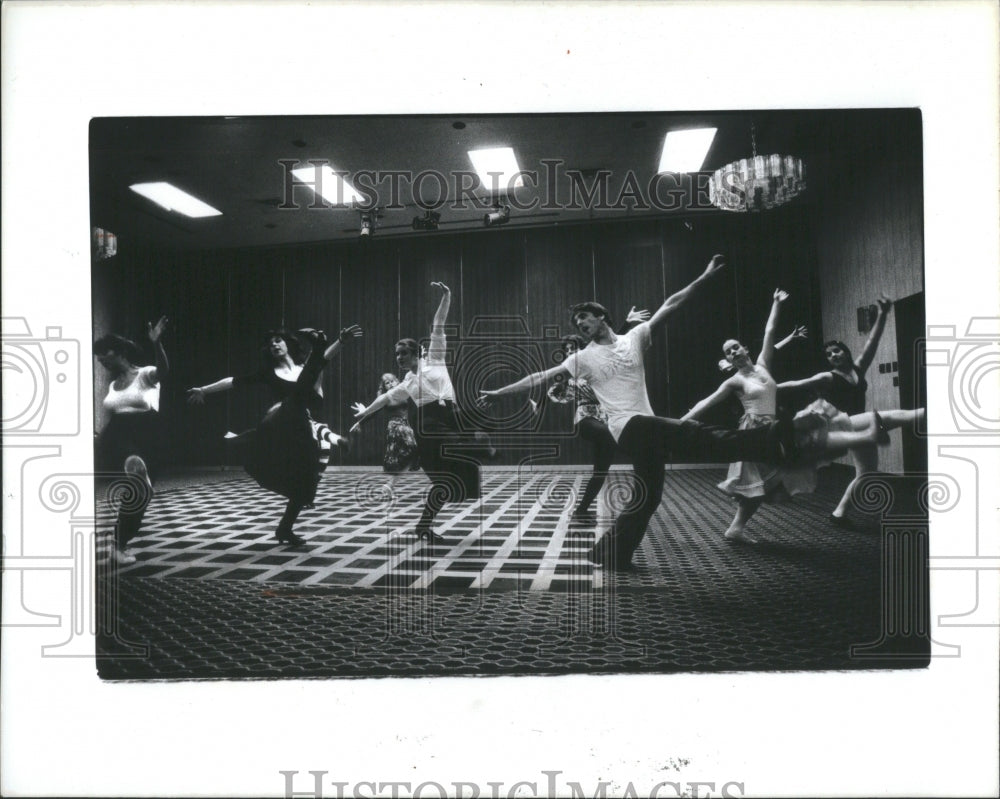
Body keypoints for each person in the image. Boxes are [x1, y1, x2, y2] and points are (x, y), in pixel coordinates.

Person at [479, 255, 884, 571]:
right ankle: (776, 440)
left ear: (601, 316)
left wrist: (705, 277)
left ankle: (611, 553)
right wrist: (499, 391)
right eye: (576, 322)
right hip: (629, 428)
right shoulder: (581, 359)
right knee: (699, 435)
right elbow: (539, 376)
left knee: (650, 496)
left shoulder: (635, 337)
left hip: (646, 427)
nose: (581, 324)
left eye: (585, 317)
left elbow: (671, 304)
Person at [682, 290, 831, 543]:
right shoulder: (735, 381)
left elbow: (769, 332)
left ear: (745, 348)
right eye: (729, 352)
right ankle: (735, 528)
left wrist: (775, 303)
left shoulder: (763, 364)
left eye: (736, 347)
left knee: (768, 480)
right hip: (752, 431)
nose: (734, 352)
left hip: (772, 428)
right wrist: (684, 420)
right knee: (757, 481)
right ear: (728, 359)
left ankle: (736, 528)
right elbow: (707, 401)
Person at [189, 326, 361, 545]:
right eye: (270, 344)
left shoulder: (304, 369)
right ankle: (317, 343)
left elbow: (324, 360)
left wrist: (341, 341)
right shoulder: (268, 374)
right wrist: (203, 390)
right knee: (297, 394)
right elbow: (234, 381)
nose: (274, 345)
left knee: (306, 481)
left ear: (288, 343)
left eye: (278, 341)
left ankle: (284, 529)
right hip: (279, 425)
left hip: (300, 429)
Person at [351, 281, 488, 546]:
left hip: (451, 421)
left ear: (417, 352)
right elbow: (385, 398)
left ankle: (423, 527)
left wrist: (447, 296)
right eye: (396, 354)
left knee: (447, 485)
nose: (399, 358)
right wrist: (364, 413)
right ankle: (424, 525)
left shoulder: (435, 359)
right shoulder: (407, 383)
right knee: (450, 475)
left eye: (403, 353)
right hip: (431, 429)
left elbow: (438, 326)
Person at [776, 295, 925, 528]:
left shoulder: (858, 369)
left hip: (857, 426)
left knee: (866, 474)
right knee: (889, 416)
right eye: (829, 354)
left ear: (845, 352)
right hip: (843, 424)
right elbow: (795, 384)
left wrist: (884, 315)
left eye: (837, 351)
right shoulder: (827, 377)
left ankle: (839, 513)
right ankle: (928, 412)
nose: (834, 355)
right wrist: (766, 388)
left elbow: (871, 343)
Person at [545, 305, 650, 519]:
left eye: (572, 348)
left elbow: (615, 346)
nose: (569, 352)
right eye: (565, 350)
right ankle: (643, 451)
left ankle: (581, 510)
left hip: (608, 418)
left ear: (581, 347)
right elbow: (552, 387)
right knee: (617, 438)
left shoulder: (595, 360)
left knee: (600, 471)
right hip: (586, 419)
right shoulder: (571, 371)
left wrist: (628, 323)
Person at [94, 316, 169, 565]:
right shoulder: (114, 385)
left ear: (120, 351)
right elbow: (113, 414)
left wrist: (157, 344)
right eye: (98, 356)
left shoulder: (144, 374)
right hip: (118, 434)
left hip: (148, 433)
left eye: (104, 353)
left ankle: (118, 545)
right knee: (133, 480)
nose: (101, 359)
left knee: (138, 496)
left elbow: (164, 370)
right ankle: (133, 465)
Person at [352, 373, 420, 473]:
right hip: (395, 427)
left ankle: (397, 474)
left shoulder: (403, 393)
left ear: (397, 381)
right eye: (387, 383)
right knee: (406, 449)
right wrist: (360, 423)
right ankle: (394, 473)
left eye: (392, 381)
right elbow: (374, 412)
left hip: (406, 425)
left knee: (410, 449)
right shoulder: (386, 398)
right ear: (384, 387)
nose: (391, 384)